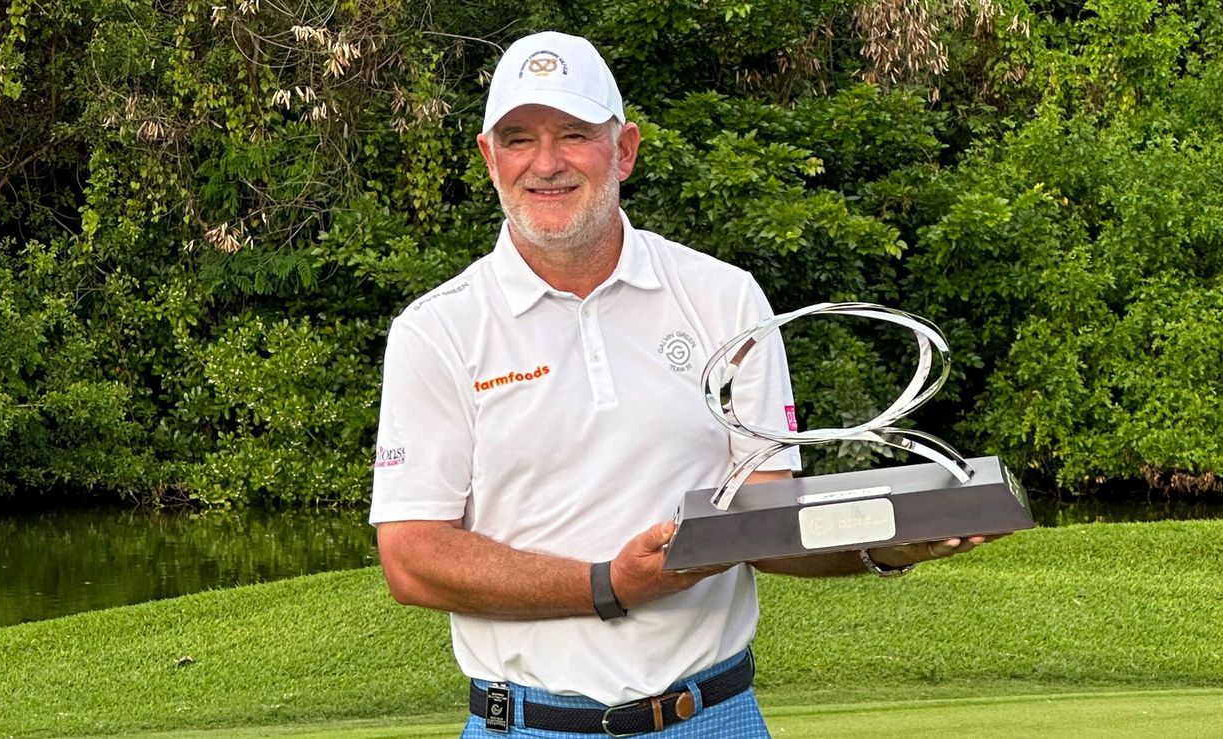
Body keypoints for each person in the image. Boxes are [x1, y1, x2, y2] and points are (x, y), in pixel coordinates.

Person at [370, 30, 995, 737]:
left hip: (714, 716)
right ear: (490, 159)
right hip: (527, 723)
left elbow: (765, 522)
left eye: (574, 133)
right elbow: (413, 557)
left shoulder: (723, 298)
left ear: (624, 149)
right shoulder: (438, 329)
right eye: (518, 139)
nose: (545, 163)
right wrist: (609, 584)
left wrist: (882, 546)